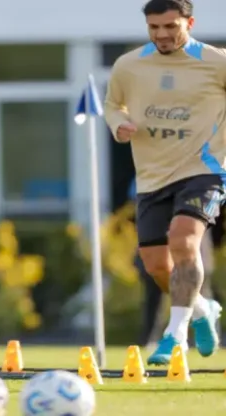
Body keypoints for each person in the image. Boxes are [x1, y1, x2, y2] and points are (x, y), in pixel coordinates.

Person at [104, 0, 225, 366]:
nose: (162, 34)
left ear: (190, 22)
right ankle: (203, 310)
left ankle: (174, 338)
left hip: (204, 170)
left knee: (184, 239)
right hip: (152, 177)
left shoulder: (217, 62)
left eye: (171, 26)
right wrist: (117, 125)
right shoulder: (129, 65)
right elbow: (113, 104)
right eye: (154, 27)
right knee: (156, 265)